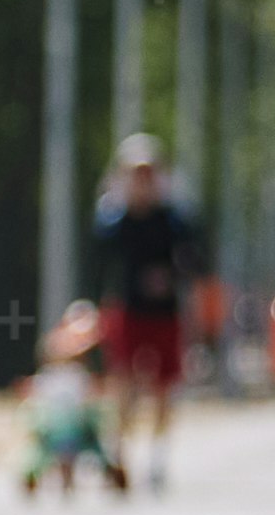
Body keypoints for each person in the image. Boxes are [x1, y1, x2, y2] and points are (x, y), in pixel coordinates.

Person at [85, 139, 207, 493]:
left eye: (149, 174)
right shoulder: (114, 220)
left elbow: (196, 265)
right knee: (121, 383)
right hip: (125, 311)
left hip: (165, 314)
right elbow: (96, 264)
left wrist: (174, 280)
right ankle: (119, 455)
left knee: (164, 388)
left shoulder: (174, 220)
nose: (143, 181)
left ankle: (157, 457)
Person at [18, 303, 127, 499]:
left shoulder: (83, 371)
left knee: (95, 430)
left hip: (80, 424)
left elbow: (99, 391)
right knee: (41, 437)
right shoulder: (51, 374)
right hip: (55, 425)